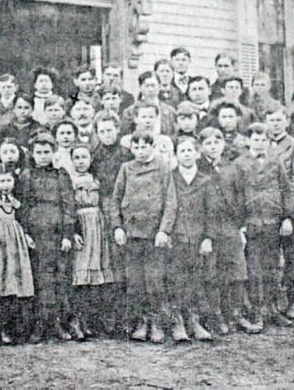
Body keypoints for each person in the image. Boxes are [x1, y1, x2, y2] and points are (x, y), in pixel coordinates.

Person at [109, 131, 176, 344]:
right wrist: (118, 227)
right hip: (132, 234)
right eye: (135, 147)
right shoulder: (126, 169)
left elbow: (170, 202)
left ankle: (157, 324)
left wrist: (164, 230)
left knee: (154, 281)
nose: (140, 151)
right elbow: (115, 200)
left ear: (152, 146)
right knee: (135, 282)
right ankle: (141, 322)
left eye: (144, 147)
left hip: (154, 235)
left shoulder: (163, 167)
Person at [198, 127, 259, 335]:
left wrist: (241, 225)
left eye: (216, 142)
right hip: (207, 227)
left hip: (230, 225)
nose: (213, 147)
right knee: (212, 273)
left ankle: (236, 314)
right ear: (201, 147)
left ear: (223, 145)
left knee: (236, 270)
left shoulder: (232, 168)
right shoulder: (198, 169)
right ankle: (217, 316)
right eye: (208, 143)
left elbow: (241, 197)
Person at [17, 132, 77, 343]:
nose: (43, 156)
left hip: (58, 233)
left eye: (46, 152)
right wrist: (25, 233)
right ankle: (41, 325)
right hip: (37, 234)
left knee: (60, 279)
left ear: (53, 152)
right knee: (41, 280)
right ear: (32, 154)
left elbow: (69, 206)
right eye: (38, 152)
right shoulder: (27, 176)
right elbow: (22, 207)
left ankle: (60, 323)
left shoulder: (62, 175)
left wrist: (68, 235)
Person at [237, 123, 294, 330]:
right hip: (251, 224)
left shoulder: (275, 162)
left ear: (269, 142)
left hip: (273, 222)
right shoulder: (240, 164)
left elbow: (287, 191)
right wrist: (240, 224)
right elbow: (235, 196)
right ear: (248, 141)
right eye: (255, 139)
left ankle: (272, 309)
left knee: (272, 267)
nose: (259, 144)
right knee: (254, 270)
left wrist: (287, 218)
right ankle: (256, 312)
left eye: (263, 140)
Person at [0, 163, 34, 345]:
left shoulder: (15, 199)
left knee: (11, 286)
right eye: (1, 180)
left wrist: (26, 235)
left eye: (9, 180)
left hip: (14, 245)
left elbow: (21, 219)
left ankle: (7, 330)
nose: (5, 184)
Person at [167, 136, 213, 342]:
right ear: (176, 155)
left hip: (197, 238)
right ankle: (177, 322)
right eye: (181, 151)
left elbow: (212, 212)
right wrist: (166, 232)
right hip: (176, 238)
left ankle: (194, 320)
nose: (186, 154)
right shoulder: (169, 178)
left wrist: (208, 238)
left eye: (189, 151)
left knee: (196, 280)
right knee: (176, 280)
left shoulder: (205, 180)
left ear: (197, 153)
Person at [265, 105, 294, 320]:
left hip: (289, 208)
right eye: (271, 120)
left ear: (287, 122)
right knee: (269, 258)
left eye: (279, 120)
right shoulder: (261, 145)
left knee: (293, 257)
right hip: (267, 210)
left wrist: (289, 214)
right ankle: (270, 303)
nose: (275, 124)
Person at [68, 144, 113, 340]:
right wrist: (72, 231)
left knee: (97, 276)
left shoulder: (97, 180)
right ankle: (77, 321)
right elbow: (68, 209)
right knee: (81, 275)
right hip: (81, 226)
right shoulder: (68, 181)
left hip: (98, 226)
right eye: (76, 157)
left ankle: (93, 321)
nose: (80, 161)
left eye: (84, 157)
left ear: (90, 159)